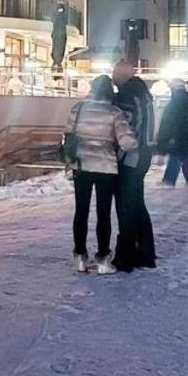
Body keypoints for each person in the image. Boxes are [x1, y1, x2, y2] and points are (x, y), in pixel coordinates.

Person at [67, 75, 137, 274]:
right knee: (103, 213)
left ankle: (80, 257)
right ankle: (103, 260)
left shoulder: (78, 108)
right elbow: (127, 143)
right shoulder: (114, 112)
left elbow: (68, 133)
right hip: (105, 167)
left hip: (81, 165)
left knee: (81, 211)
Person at [112, 60, 156, 271]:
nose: (112, 76)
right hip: (143, 156)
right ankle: (146, 252)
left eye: (114, 72)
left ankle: (126, 255)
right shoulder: (143, 93)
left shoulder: (127, 95)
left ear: (122, 75)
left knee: (126, 205)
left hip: (130, 158)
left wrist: (117, 154)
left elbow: (127, 129)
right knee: (137, 204)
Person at [157, 79, 188, 186]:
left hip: (176, 138)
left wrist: (162, 144)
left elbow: (166, 125)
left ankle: (169, 181)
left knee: (174, 158)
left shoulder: (172, 105)